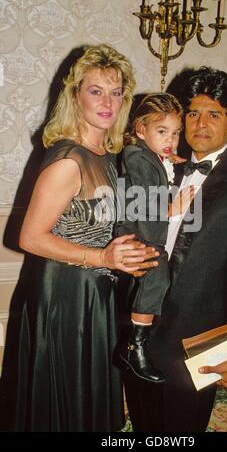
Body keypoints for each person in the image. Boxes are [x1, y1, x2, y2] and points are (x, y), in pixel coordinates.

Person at [0, 44, 158, 432]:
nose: (109, 101)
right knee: (61, 395)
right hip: (63, 297)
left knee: (87, 393)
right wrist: (102, 259)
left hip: (97, 294)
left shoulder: (109, 154)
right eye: (96, 90)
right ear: (75, 95)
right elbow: (29, 238)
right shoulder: (68, 159)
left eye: (117, 92)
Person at [123, 66, 227, 432]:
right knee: (144, 426)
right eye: (193, 113)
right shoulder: (159, 168)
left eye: (215, 114)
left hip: (197, 343)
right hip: (140, 336)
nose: (201, 123)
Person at [116, 93, 183, 383]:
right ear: (140, 130)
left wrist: (169, 156)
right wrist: (174, 208)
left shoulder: (149, 154)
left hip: (145, 231)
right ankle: (135, 346)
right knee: (157, 276)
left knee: (159, 279)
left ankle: (136, 341)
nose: (171, 139)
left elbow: (160, 165)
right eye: (162, 131)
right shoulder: (136, 157)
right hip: (135, 231)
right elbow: (145, 201)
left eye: (175, 133)